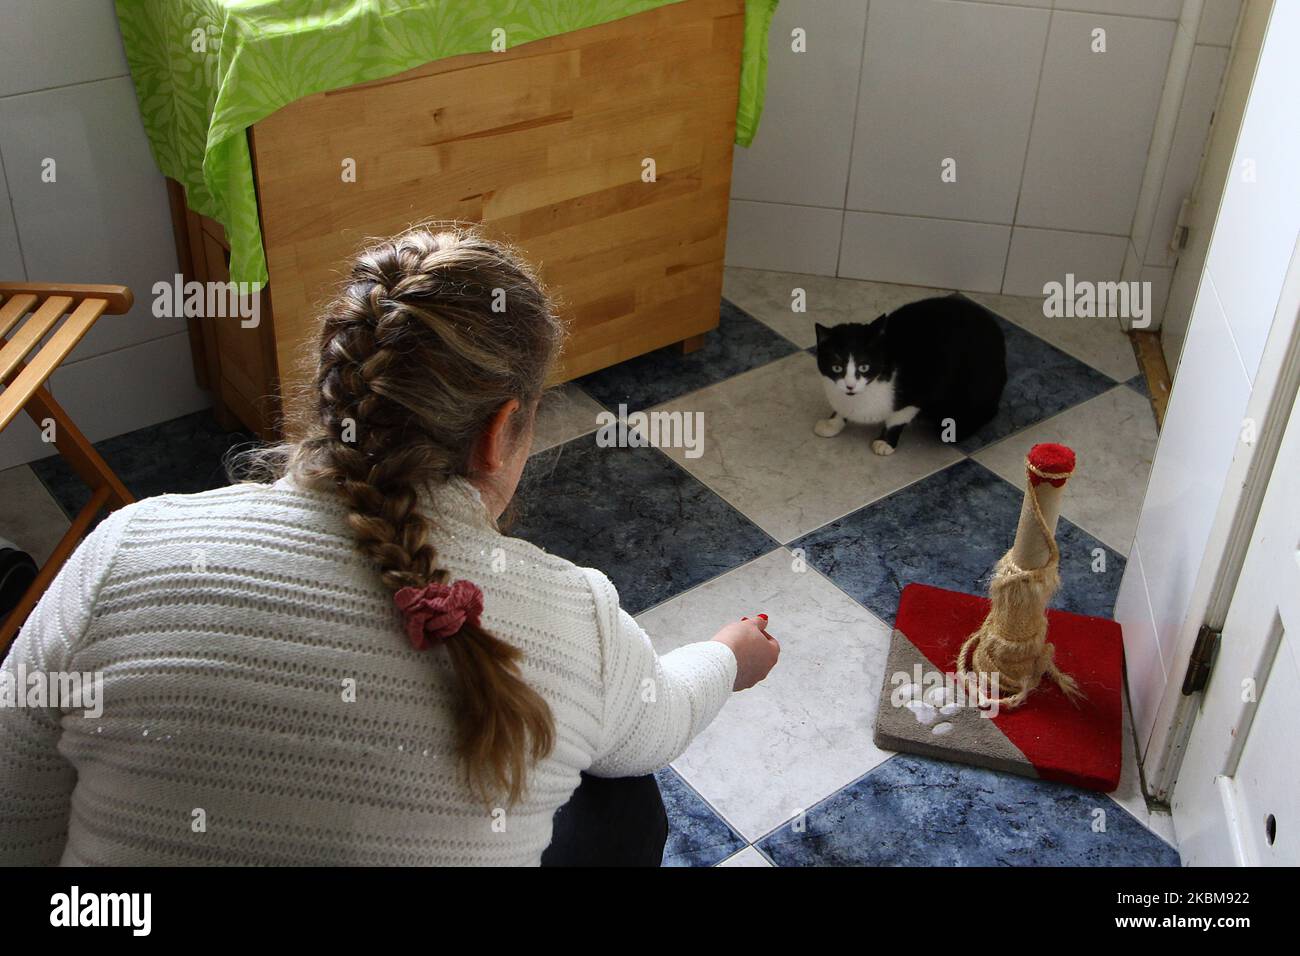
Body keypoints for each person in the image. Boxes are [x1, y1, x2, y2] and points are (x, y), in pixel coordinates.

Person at [0, 225, 780, 866]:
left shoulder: (125, 549)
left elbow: (18, 815)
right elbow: (661, 716)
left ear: (328, 393)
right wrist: (730, 654)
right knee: (618, 794)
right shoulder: (570, 616)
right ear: (501, 431)